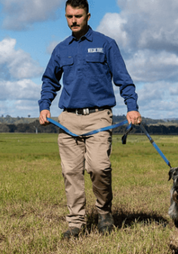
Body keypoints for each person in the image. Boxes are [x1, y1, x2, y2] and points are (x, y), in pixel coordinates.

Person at [38, 0, 141, 239]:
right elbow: (49, 81)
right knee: (71, 173)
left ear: (88, 16)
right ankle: (75, 223)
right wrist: (44, 107)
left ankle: (104, 213)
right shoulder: (61, 49)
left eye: (78, 16)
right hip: (68, 119)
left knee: (98, 167)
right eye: (69, 16)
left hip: (99, 117)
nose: (73, 21)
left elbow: (124, 79)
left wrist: (132, 107)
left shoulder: (106, 44)